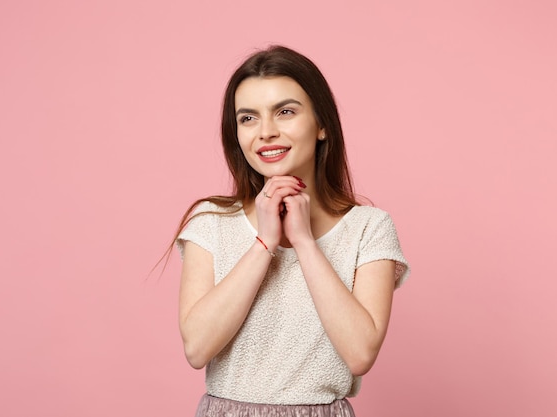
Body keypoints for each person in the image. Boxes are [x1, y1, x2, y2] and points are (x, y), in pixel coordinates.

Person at [173, 45, 410, 417]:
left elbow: (361, 352)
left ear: (321, 125)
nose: (266, 132)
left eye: (285, 112)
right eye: (248, 118)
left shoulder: (369, 227)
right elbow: (197, 348)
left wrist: (304, 242)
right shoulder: (210, 220)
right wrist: (264, 243)